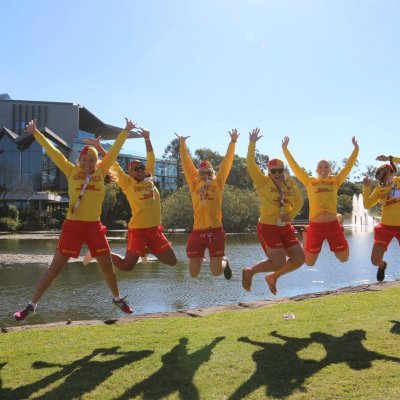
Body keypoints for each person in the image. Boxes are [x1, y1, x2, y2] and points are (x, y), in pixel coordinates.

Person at [14, 118, 135, 321]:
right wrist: (36, 133)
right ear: (79, 160)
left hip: (94, 227)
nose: (88, 164)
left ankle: (117, 298)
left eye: (91, 161)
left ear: (96, 162)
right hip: (73, 226)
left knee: (107, 268)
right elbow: (55, 153)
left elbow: (113, 151)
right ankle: (31, 305)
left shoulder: (101, 172)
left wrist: (125, 131)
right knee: (54, 270)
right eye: (84, 160)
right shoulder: (71, 170)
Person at [84, 127, 177, 270]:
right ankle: (96, 253)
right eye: (136, 169)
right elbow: (113, 163)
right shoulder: (127, 183)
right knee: (126, 266)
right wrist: (99, 147)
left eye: (141, 167)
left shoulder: (149, 178)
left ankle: (145, 250)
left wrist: (147, 138)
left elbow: (151, 156)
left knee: (172, 261)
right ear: (130, 172)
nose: (140, 170)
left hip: (154, 231)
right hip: (138, 231)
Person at [242, 128, 305, 295]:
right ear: (269, 171)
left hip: (285, 226)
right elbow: (250, 163)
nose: (277, 174)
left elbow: (300, 200)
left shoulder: (289, 182)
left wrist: (290, 216)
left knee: (299, 259)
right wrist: (252, 143)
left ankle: (273, 277)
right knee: (278, 261)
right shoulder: (263, 181)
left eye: (280, 170)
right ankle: (250, 272)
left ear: (283, 170)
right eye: (273, 171)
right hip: (268, 226)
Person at [282, 136, 359, 266]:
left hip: (332, 225)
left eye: (326, 166)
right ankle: (306, 234)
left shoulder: (335, 181)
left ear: (330, 170)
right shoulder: (310, 181)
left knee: (344, 258)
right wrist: (285, 149)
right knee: (309, 262)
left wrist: (356, 149)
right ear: (316, 170)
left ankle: (338, 221)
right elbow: (295, 167)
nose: (323, 168)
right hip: (316, 226)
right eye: (320, 167)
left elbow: (348, 167)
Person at [175, 129, 239, 279]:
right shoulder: (194, 184)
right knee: (193, 273)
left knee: (216, 272)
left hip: (215, 231)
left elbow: (226, 163)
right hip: (198, 231)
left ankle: (224, 261)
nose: (205, 175)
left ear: (212, 172)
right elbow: (187, 165)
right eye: (202, 172)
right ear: (198, 173)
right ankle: (204, 256)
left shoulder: (218, 183)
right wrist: (182, 145)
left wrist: (233, 142)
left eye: (208, 172)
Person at [363, 156, 400, 282]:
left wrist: (390, 158)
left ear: (392, 172)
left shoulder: (399, 181)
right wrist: (366, 187)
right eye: (379, 176)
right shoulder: (379, 189)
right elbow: (367, 205)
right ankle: (382, 265)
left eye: (385, 174)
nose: (383, 178)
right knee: (374, 260)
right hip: (386, 227)